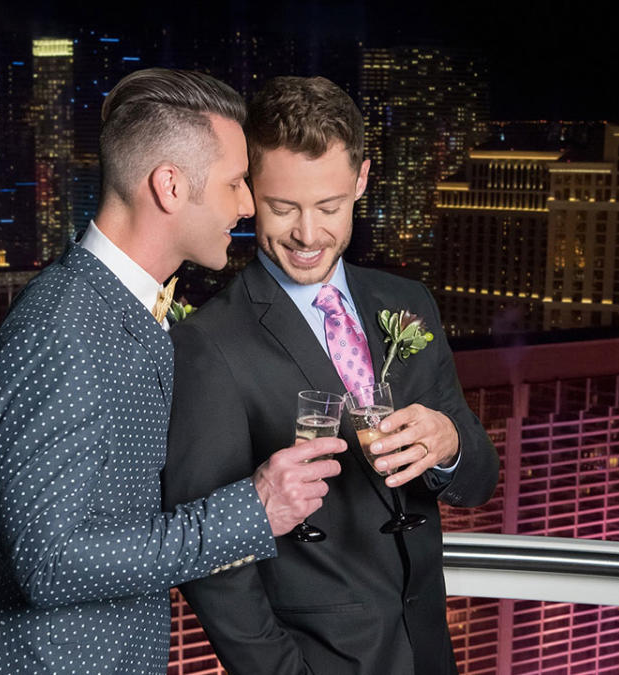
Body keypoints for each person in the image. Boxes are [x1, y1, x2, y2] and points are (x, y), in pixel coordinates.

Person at [0, 69, 345, 675]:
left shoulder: (122, 310)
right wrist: (253, 511)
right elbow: (46, 562)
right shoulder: (64, 326)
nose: (247, 205)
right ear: (170, 186)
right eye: (236, 183)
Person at [163, 76, 499, 674]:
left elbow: (477, 481)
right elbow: (212, 565)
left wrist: (450, 443)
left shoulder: (409, 301)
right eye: (283, 207)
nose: (308, 235)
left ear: (362, 180)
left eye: (329, 206)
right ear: (247, 191)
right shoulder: (207, 343)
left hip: (430, 652)